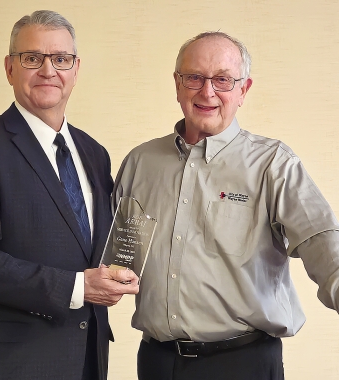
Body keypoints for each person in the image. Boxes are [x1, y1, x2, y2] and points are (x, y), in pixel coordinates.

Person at [113, 31, 339, 380]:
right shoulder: (140, 162)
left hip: (242, 363)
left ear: (243, 90)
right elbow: (112, 249)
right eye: (195, 78)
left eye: (222, 80)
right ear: (177, 84)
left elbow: (322, 241)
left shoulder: (273, 164)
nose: (207, 92)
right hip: (157, 361)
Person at [0, 10, 139, 380]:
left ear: (76, 70)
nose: (49, 70)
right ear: (9, 68)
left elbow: (95, 246)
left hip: (86, 361)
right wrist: (78, 286)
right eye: (32, 58)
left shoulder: (94, 153)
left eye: (61, 59)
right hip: (7, 366)